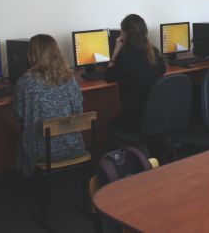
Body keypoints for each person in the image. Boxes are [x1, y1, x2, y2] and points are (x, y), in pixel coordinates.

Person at [13, 34, 87, 177]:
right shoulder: (71, 79)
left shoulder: (25, 83)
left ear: (31, 56)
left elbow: (19, 117)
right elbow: (79, 111)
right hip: (73, 147)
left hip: (41, 154)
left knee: (23, 133)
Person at [105, 14, 166, 132]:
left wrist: (116, 51)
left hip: (135, 118)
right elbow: (163, 70)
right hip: (156, 114)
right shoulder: (153, 51)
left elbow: (109, 77)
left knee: (111, 125)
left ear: (125, 34)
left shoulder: (126, 55)